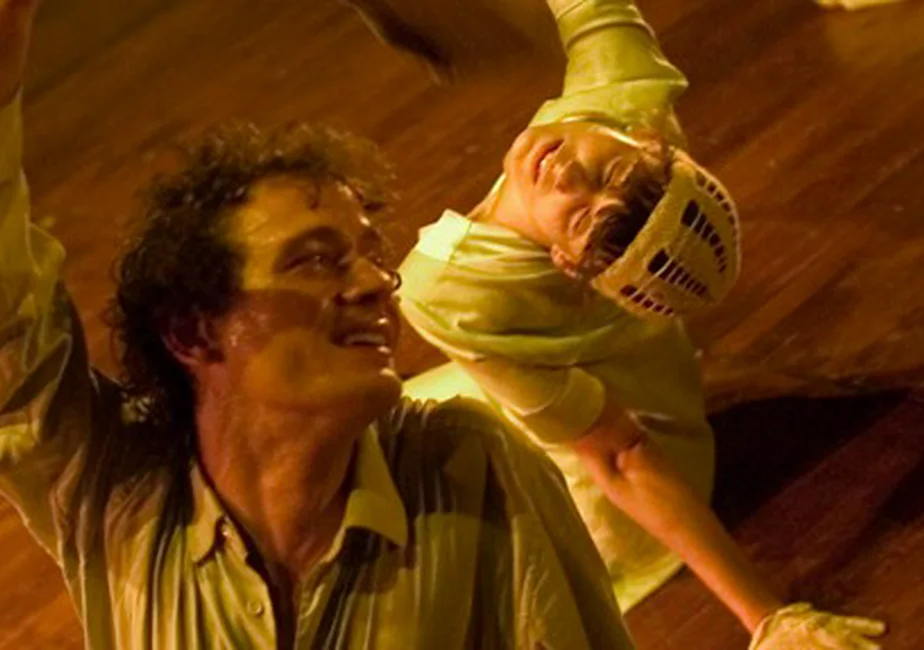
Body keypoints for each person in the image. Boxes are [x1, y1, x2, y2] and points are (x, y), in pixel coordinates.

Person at [0, 1, 637, 648]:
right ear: (192, 333)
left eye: (371, 256)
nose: (374, 284)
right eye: (313, 262)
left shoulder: (471, 472)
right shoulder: (116, 493)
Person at [394, 0, 887, 647]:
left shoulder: (454, 290)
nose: (567, 173)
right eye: (613, 168)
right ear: (649, 141)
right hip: (653, 401)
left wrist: (766, 616)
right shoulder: (626, 92)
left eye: (578, 217)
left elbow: (621, 454)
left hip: (613, 487)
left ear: (568, 263)